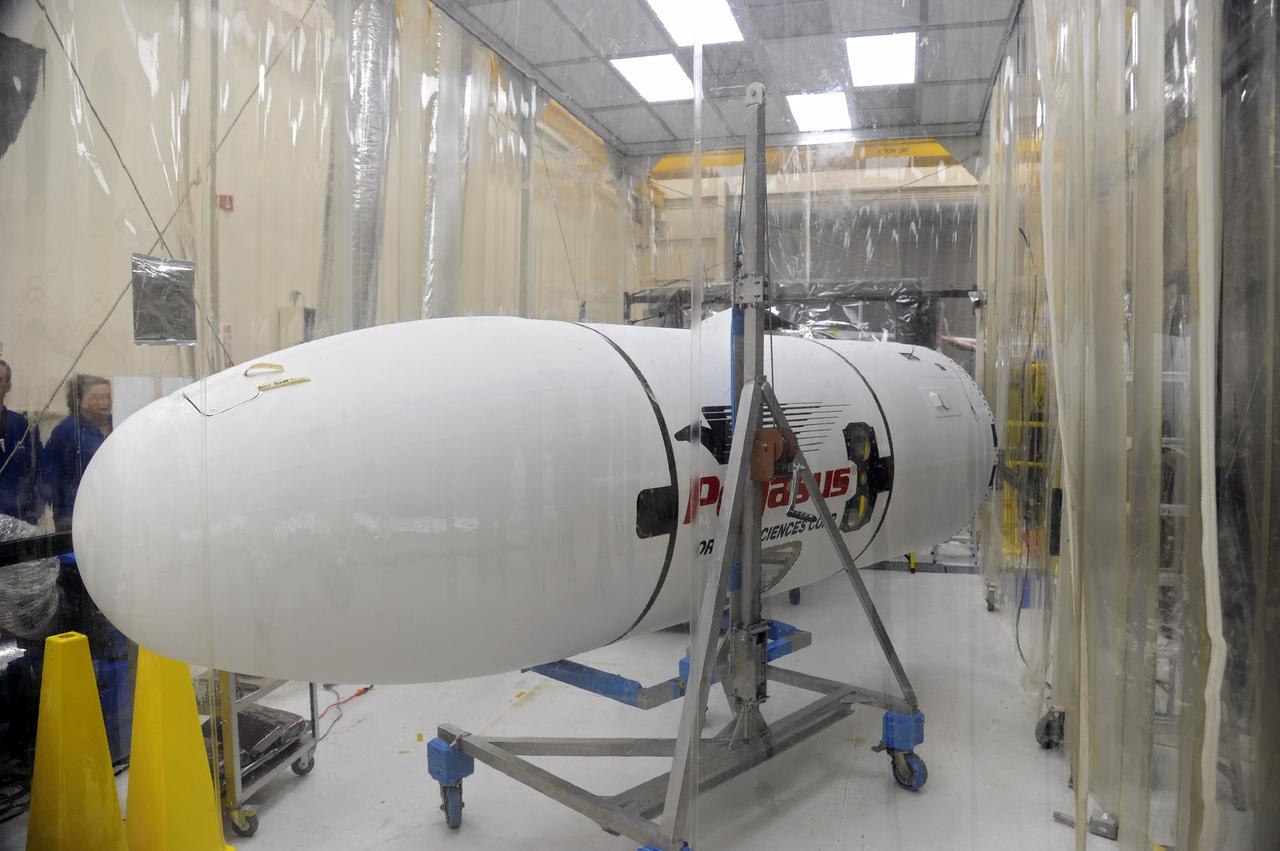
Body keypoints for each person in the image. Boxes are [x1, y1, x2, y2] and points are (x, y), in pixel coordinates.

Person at [44, 374, 112, 532]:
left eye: (108, 397)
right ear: (80, 402)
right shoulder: (66, 431)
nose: (105, 403)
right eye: (97, 397)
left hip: (108, 513)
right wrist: (66, 514)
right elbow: (55, 478)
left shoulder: (117, 425)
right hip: (75, 517)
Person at [0, 359, 43, 524]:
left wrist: (32, 510)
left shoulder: (21, 425)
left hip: (17, 517)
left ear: (8, 387)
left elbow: (36, 469)